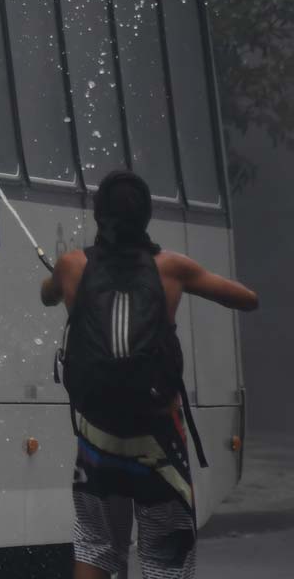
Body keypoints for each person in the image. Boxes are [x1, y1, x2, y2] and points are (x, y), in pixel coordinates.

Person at [41, 170, 258, 579]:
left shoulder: (71, 266)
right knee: (164, 560)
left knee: (96, 546)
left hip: (97, 438)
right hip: (158, 441)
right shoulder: (172, 268)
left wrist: (53, 280)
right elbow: (247, 300)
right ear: (146, 217)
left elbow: (46, 293)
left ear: (97, 212)